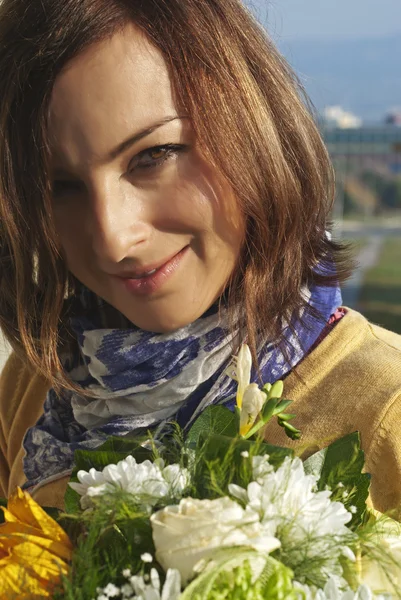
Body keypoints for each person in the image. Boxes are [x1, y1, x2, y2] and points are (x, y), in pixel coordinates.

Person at [0, 0, 400, 515]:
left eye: (153, 156)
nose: (113, 239)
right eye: (60, 188)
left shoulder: (383, 415)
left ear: (252, 126)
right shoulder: (37, 389)